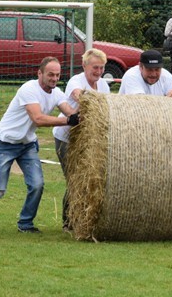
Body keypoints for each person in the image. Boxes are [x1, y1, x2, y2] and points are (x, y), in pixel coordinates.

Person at [0, 57, 79, 233]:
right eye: (51, 74)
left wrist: (85, 113)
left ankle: (25, 224)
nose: (55, 78)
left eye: (57, 75)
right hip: (5, 142)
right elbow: (38, 118)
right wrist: (67, 120)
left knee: (37, 185)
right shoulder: (29, 89)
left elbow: (71, 113)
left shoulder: (57, 93)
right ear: (39, 73)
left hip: (27, 144)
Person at [52, 49, 111, 230]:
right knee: (75, 179)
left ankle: (86, 219)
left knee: (90, 180)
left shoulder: (104, 86)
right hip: (67, 139)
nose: (98, 72)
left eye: (101, 68)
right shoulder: (75, 81)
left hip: (89, 140)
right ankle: (68, 222)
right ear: (84, 65)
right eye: (95, 67)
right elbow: (78, 95)